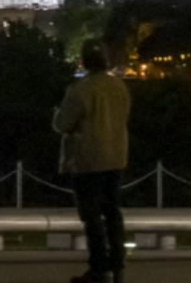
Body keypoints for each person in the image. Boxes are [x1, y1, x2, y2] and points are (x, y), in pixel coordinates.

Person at [53, 43, 131, 283]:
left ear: (84, 62)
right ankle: (118, 264)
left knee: (92, 217)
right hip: (116, 156)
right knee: (113, 213)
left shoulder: (80, 89)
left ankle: (98, 268)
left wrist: (57, 113)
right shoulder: (120, 87)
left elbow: (62, 124)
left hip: (87, 159)